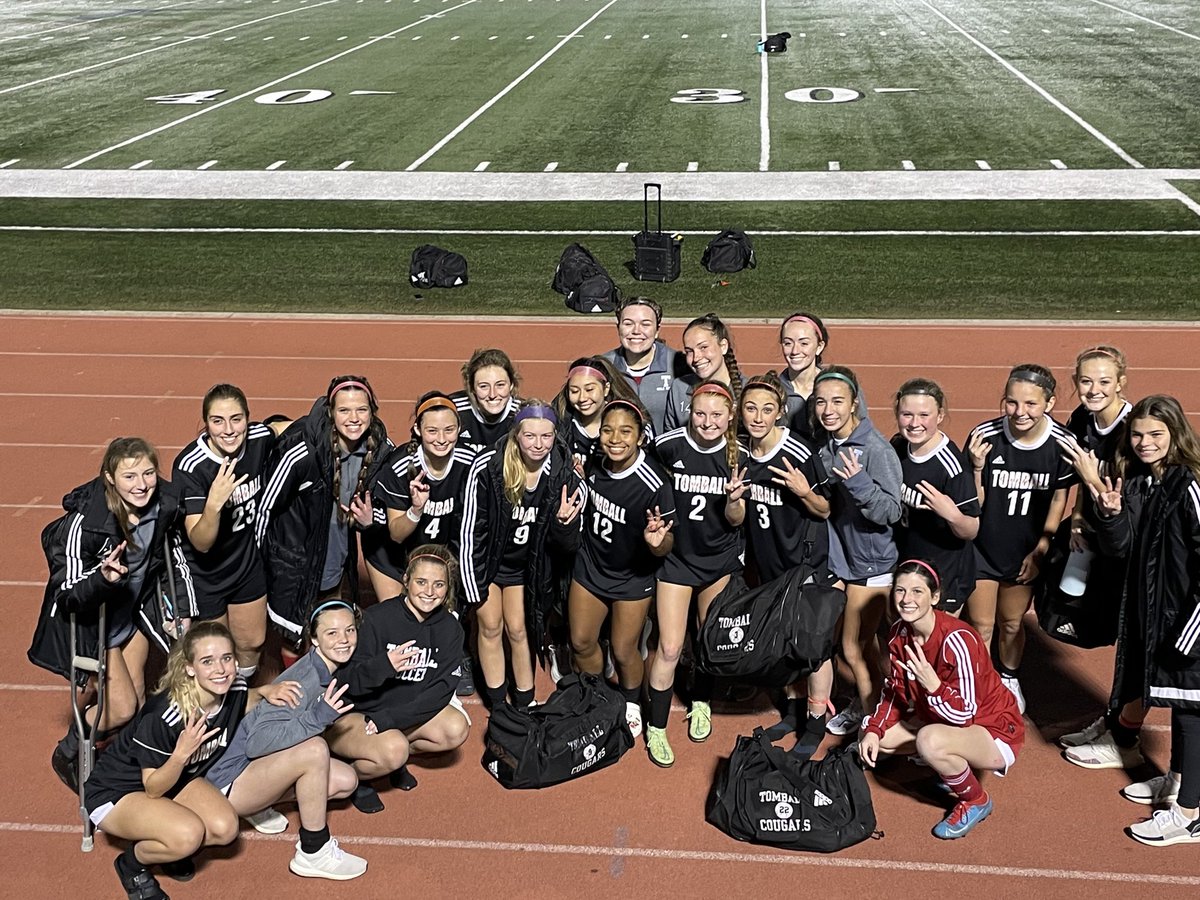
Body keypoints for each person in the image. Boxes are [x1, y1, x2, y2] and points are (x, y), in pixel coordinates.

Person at [81, 622, 302, 899]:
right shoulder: (165, 716)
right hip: (119, 791)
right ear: (189, 668)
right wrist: (182, 754)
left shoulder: (233, 688)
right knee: (188, 835)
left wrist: (265, 692)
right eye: (207, 661)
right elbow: (153, 788)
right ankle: (133, 864)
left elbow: (242, 700)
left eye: (226, 658)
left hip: (177, 778)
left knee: (225, 828)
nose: (220, 669)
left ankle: (167, 842)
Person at [29, 436, 197, 793]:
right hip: (96, 620)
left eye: (148, 473)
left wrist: (180, 610)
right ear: (109, 478)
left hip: (131, 613)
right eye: (129, 476)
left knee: (137, 700)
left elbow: (173, 561)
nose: (142, 485)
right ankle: (68, 750)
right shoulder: (85, 523)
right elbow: (66, 591)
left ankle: (117, 759)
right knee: (121, 708)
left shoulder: (165, 505)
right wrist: (103, 578)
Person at [1087, 395, 1200, 845]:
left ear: (1176, 434)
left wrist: (1191, 628)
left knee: (1192, 709)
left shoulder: (1190, 483)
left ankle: (1190, 813)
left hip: (1188, 617)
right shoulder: (1142, 481)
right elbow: (1122, 548)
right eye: (1137, 434)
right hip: (1159, 615)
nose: (1144, 442)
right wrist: (1111, 514)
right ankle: (1178, 781)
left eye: (1156, 434)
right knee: (1179, 702)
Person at [859, 560, 1024, 840]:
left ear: (934, 597)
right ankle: (948, 763)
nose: (906, 599)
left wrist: (933, 684)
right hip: (943, 715)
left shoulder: (958, 640)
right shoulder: (899, 633)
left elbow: (966, 714)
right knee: (876, 735)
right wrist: (874, 729)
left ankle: (976, 800)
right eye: (900, 590)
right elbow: (894, 691)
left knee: (929, 741)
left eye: (917, 591)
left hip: (993, 729)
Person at [204, 604, 367, 879]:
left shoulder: (326, 667)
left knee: (345, 780)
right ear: (314, 638)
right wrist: (317, 718)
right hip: (226, 782)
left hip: (250, 767)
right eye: (332, 633)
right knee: (315, 750)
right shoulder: (304, 680)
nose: (343, 639)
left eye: (349, 630)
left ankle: (259, 803)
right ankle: (313, 851)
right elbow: (257, 743)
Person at [460, 400, 585, 710]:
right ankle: (497, 704)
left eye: (546, 436)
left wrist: (564, 524)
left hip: (526, 568)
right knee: (490, 626)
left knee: (519, 629)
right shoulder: (488, 466)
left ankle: (525, 702)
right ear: (516, 434)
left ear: (555, 436)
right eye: (530, 436)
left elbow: (568, 547)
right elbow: (472, 529)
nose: (538, 444)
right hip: (490, 564)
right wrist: (473, 584)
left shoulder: (565, 476)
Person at [965, 364, 1075, 714]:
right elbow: (974, 501)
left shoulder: (1062, 444)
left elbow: (1059, 499)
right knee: (981, 626)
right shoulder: (984, 436)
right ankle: (979, 684)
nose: (1019, 412)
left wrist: (1041, 549)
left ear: (1050, 403)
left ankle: (1009, 676)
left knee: (1011, 623)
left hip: (1025, 551)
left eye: (1030, 403)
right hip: (983, 549)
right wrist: (977, 467)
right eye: (1011, 402)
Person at [647, 380, 747, 766]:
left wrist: (734, 500)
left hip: (718, 559)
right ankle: (657, 727)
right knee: (670, 647)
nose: (707, 422)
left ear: (730, 416)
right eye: (700, 413)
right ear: (690, 411)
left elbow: (735, 519)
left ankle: (701, 701)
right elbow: (645, 482)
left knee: (708, 640)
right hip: (676, 560)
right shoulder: (668, 445)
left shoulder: (738, 454)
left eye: (717, 415)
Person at [255, 376, 391, 652]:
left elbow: (385, 505)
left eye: (361, 409)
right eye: (344, 410)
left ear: (372, 411)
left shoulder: (381, 448)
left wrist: (370, 520)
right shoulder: (302, 451)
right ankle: (298, 679)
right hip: (296, 558)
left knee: (332, 627)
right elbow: (266, 507)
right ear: (331, 413)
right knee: (294, 634)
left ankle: (324, 677)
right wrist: (258, 565)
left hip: (335, 554)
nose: (354, 418)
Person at [736, 373, 833, 752]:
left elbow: (825, 509)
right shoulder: (739, 452)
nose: (758, 417)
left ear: (779, 412)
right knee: (782, 639)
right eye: (750, 408)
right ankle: (793, 710)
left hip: (804, 562)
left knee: (813, 645)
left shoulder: (799, 452)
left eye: (767, 409)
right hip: (768, 563)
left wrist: (804, 492)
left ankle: (816, 722)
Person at [1055, 347, 1142, 768]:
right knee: (1119, 638)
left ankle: (1125, 738)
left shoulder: (1135, 431)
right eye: (1086, 381)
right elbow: (1079, 476)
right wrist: (1077, 516)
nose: (1094, 389)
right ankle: (1114, 720)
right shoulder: (1082, 420)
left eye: (1105, 381)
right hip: (1103, 536)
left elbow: (1129, 498)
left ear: (1121, 382)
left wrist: (1094, 484)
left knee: (1136, 642)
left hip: (1135, 547)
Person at [334, 546, 472, 813]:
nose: (429, 591)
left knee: (455, 728)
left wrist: (391, 720)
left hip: (393, 715)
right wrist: (385, 665)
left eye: (439, 584)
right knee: (395, 750)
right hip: (358, 714)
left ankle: (388, 757)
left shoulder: (450, 629)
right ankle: (355, 776)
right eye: (421, 582)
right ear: (406, 581)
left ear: (447, 589)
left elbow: (441, 691)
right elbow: (345, 681)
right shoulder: (375, 619)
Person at [569, 399, 676, 738]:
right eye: (608, 430)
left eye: (625, 432)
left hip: (632, 577)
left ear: (640, 437)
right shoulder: (595, 462)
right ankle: (597, 695)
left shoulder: (654, 482)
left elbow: (666, 544)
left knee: (623, 649)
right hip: (591, 566)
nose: (615, 439)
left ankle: (631, 702)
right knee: (581, 642)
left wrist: (656, 542)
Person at [811, 366, 903, 736]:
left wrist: (860, 483)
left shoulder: (876, 450)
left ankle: (873, 727)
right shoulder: (827, 446)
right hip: (842, 561)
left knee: (854, 648)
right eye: (821, 402)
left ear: (854, 404)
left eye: (837, 401)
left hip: (872, 565)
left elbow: (892, 512)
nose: (828, 409)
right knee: (850, 644)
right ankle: (871, 706)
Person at [173, 384, 273, 680]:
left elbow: (287, 428)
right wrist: (214, 504)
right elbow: (200, 542)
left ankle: (242, 694)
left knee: (252, 643)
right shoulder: (192, 466)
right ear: (206, 423)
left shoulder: (258, 438)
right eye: (218, 421)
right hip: (206, 575)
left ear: (248, 419)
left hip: (245, 563)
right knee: (215, 653)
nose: (229, 430)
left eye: (236, 419)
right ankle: (220, 701)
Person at [891, 378, 980, 614]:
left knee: (936, 634)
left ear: (940, 416)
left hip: (944, 573)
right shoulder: (898, 447)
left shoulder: (952, 467)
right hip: (907, 564)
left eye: (924, 415)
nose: (914, 423)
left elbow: (971, 529)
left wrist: (952, 515)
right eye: (907, 414)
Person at [601, 296, 689, 434]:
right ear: (618, 328)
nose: (636, 331)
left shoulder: (680, 365)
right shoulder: (603, 366)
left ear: (657, 330)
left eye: (645, 324)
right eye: (628, 323)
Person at [777, 312, 867, 440]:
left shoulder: (841, 385)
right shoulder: (773, 389)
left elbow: (862, 431)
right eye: (788, 343)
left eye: (804, 343)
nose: (795, 351)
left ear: (819, 347)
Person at [552, 356, 643, 473]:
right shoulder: (559, 423)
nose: (582, 398)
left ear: (606, 388)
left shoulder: (628, 419)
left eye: (589, 389)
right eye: (574, 391)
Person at [663, 313, 744, 431]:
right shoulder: (679, 389)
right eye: (689, 351)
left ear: (723, 346)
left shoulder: (747, 390)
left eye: (703, 347)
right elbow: (670, 435)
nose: (696, 358)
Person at [452, 348, 521, 453]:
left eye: (500, 385)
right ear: (472, 388)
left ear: (511, 384)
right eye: (483, 386)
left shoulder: (522, 414)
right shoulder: (453, 410)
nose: (492, 394)